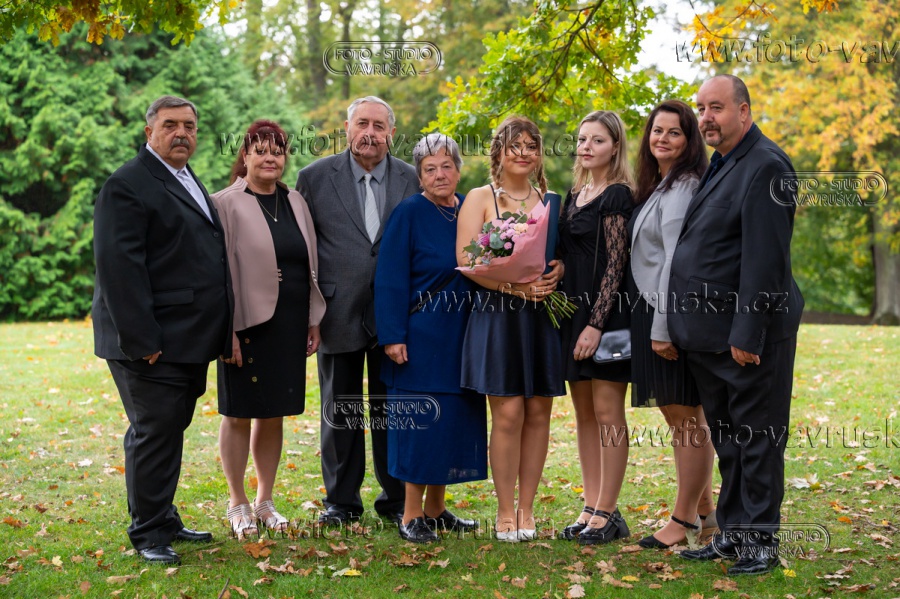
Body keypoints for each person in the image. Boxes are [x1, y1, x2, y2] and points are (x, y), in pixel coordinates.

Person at [671, 75, 804, 575]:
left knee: (758, 440)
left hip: (747, 337)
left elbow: (766, 261)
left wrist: (748, 334)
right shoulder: (723, 161)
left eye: (717, 107)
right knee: (729, 441)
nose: (706, 117)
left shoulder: (767, 166)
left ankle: (761, 543)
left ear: (744, 112)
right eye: (701, 108)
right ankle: (732, 534)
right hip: (709, 336)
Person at [92, 95, 232, 565]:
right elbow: (119, 267)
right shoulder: (127, 184)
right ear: (149, 131)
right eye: (170, 125)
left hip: (186, 337)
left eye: (189, 125)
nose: (182, 133)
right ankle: (149, 532)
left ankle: (163, 517)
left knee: (169, 429)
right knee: (154, 431)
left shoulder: (185, 176)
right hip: (150, 342)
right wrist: (142, 340)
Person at [296, 96, 419, 526]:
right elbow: (302, 248)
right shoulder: (313, 178)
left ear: (392, 134)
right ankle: (341, 502)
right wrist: (308, 313)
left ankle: (398, 499)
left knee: (392, 410)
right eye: (362, 123)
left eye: (379, 126)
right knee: (340, 409)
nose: (370, 133)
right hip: (336, 310)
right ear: (346, 128)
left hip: (396, 314)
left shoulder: (411, 177)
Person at [212, 120, 326, 540]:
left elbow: (308, 263)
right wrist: (227, 330)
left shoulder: (295, 201)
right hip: (245, 326)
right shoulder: (225, 203)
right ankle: (237, 501)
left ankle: (264, 501)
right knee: (239, 413)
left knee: (274, 413)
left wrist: (313, 319)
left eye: (277, 151)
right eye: (260, 150)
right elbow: (218, 272)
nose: (269, 158)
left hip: (290, 324)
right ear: (244, 156)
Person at [456, 116, 565, 542]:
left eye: (531, 145)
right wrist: (513, 287)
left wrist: (558, 269)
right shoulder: (480, 198)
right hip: (497, 315)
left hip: (540, 317)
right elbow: (467, 263)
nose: (523, 152)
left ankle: (527, 509)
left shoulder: (548, 200)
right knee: (508, 414)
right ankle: (504, 511)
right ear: (498, 152)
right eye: (514, 145)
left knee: (539, 412)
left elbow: (555, 252)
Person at [374, 134, 486, 544]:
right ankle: (410, 514)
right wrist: (392, 336)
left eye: (446, 166)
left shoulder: (470, 211)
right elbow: (389, 277)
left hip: (464, 337)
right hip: (420, 338)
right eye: (429, 169)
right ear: (419, 177)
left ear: (458, 170)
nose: (440, 175)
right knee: (421, 427)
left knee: (451, 424)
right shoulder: (409, 212)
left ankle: (437, 509)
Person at [628, 100, 716, 549]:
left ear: (689, 140)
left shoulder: (682, 187)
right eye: (656, 130)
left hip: (667, 311)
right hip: (650, 309)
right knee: (679, 415)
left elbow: (674, 261)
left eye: (674, 132)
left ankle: (682, 521)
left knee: (685, 418)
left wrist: (661, 327)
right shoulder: (660, 184)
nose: (662, 138)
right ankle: (708, 515)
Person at [555, 111, 634, 546]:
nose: (586, 147)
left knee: (607, 414)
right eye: (582, 139)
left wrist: (596, 325)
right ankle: (590, 506)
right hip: (572, 314)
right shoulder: (575, 193)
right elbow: (573, 253)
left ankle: (608, 511)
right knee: (584, 415)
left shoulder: (618, 194)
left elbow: (616, 266)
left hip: (605, 317)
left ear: (615, 147)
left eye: (597, 140)